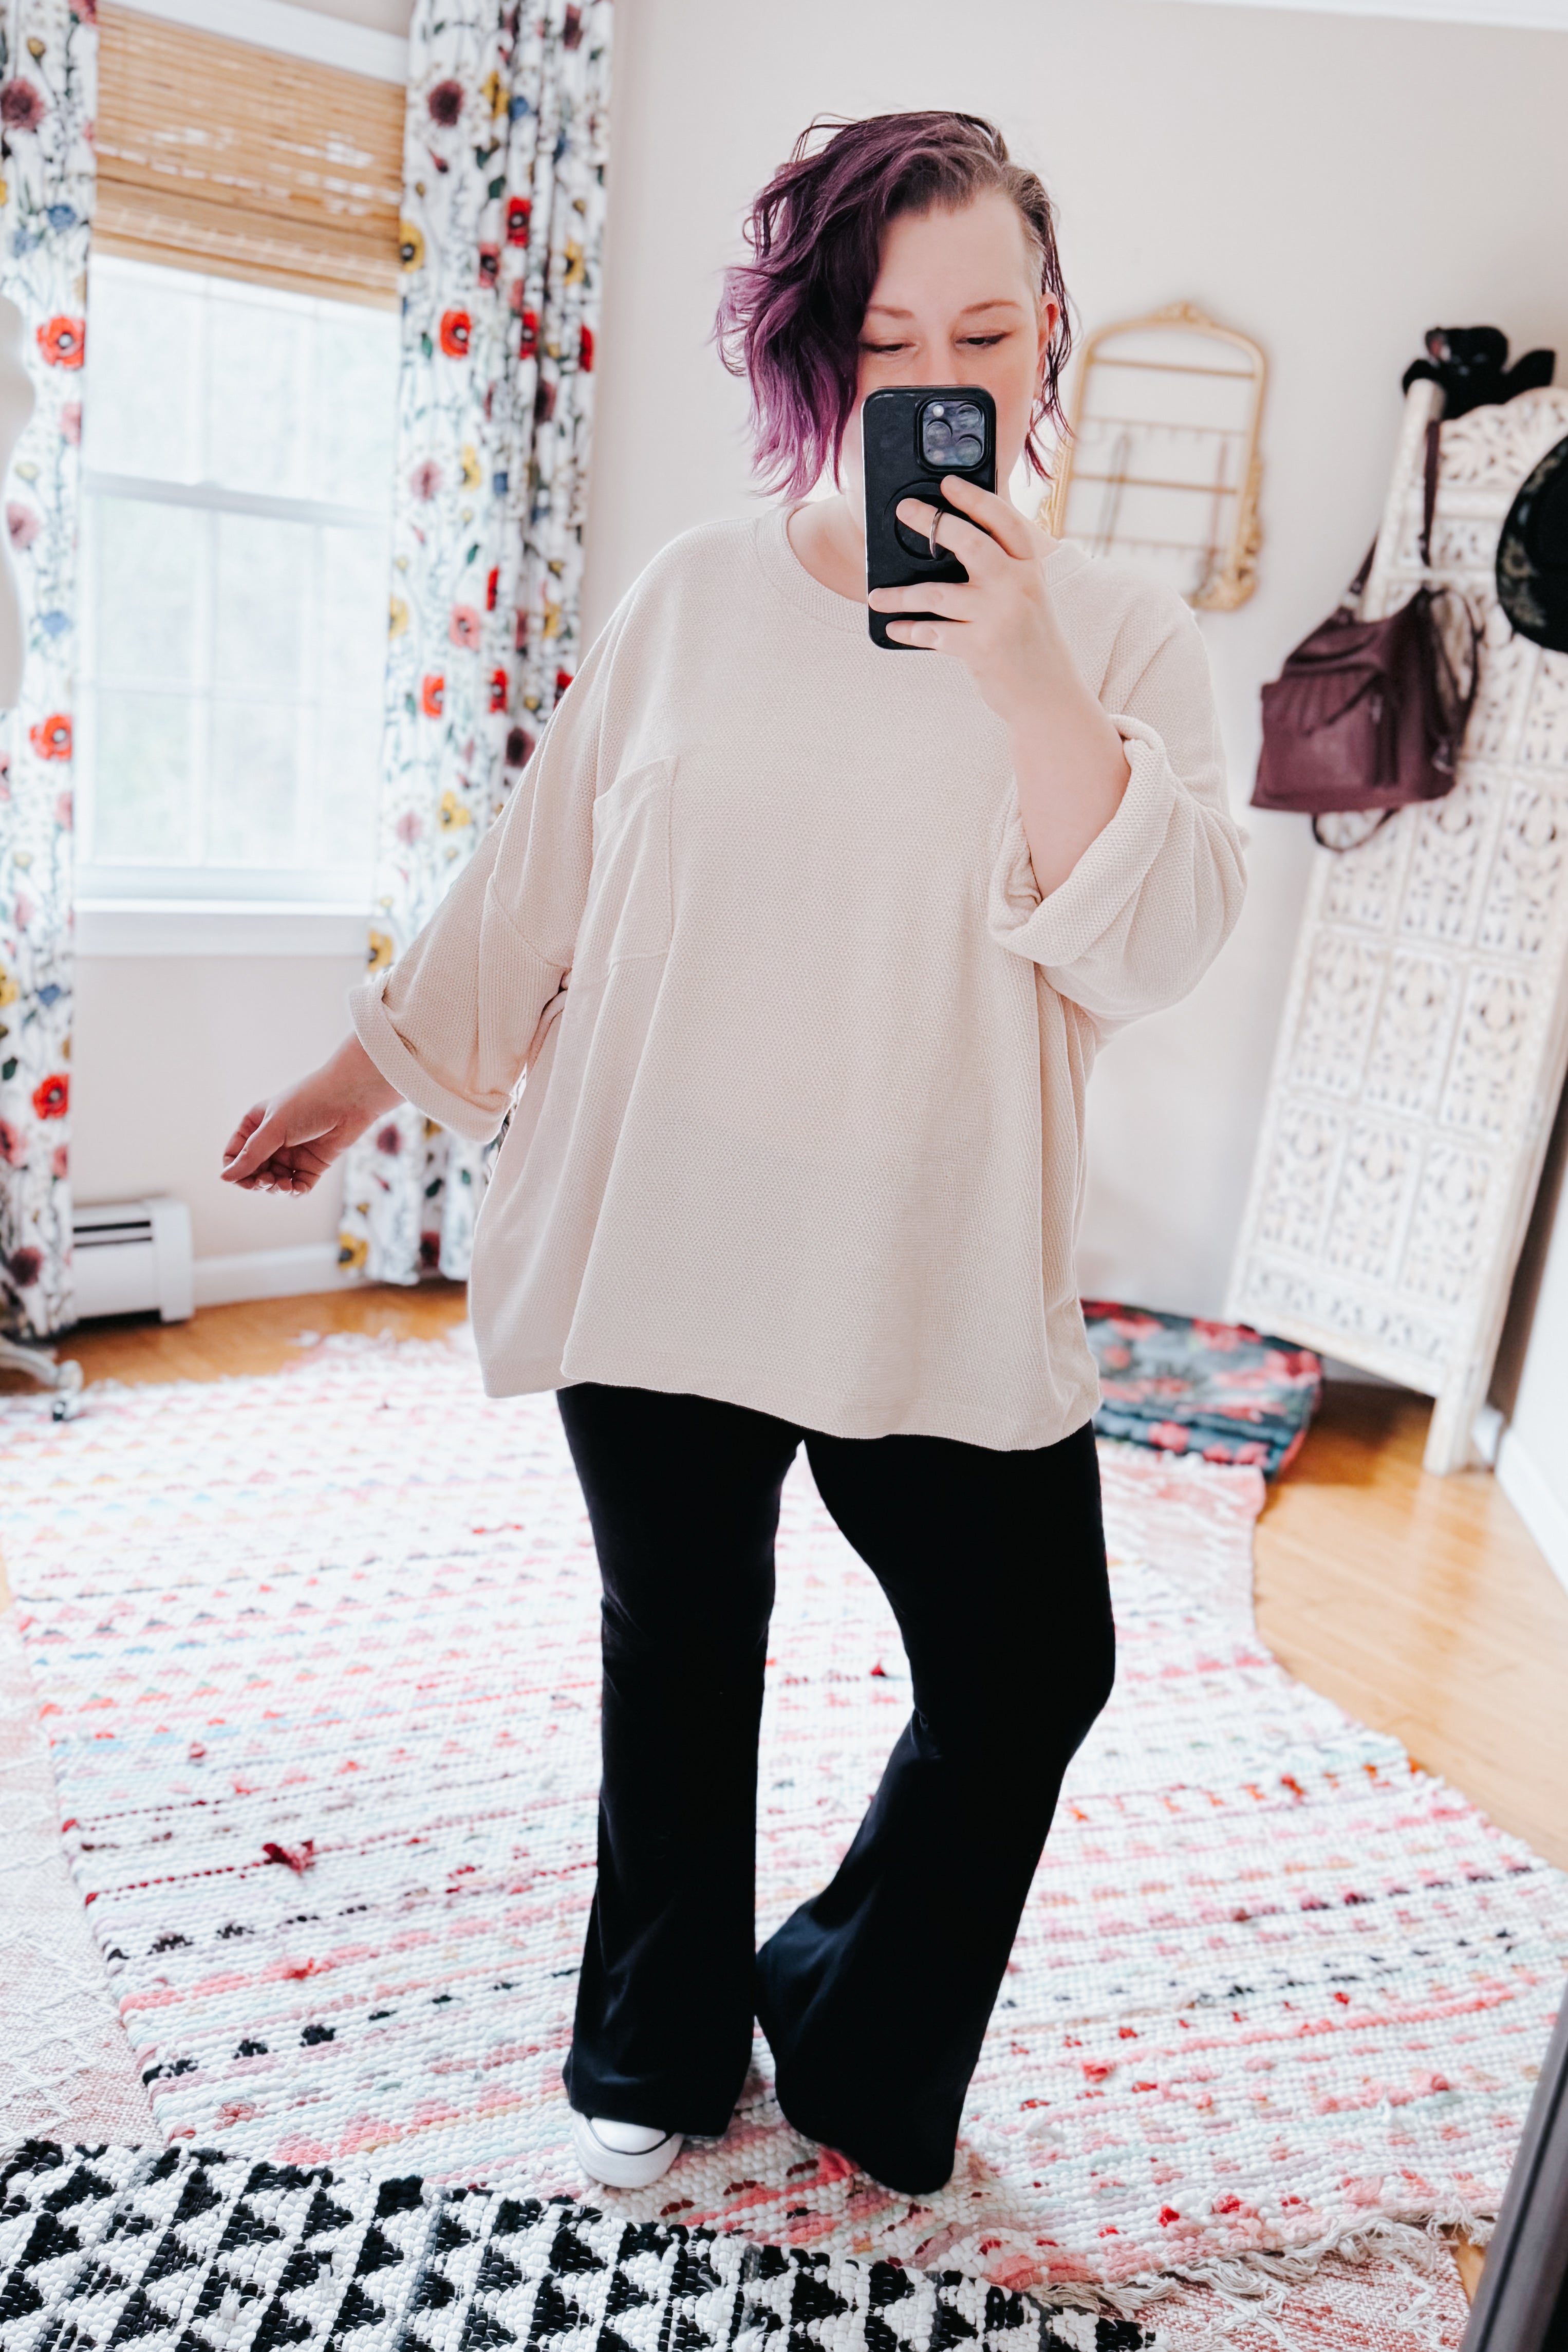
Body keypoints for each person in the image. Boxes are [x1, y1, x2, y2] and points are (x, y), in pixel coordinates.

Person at [222, 111, 1246, 2201]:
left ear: (1049, 344)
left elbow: (1153, 942)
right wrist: (356, 1077)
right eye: (885, 341)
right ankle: (651, 2043)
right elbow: (537, 884)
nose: (935, 377)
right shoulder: (693, 593)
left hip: (928, 1247)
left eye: (981, 329)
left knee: (1032, 1663)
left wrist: (1026, 671)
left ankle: (856, 2016)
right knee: (679, 1644)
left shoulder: (1123, 635)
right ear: (820, 358)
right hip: (666, 1216)